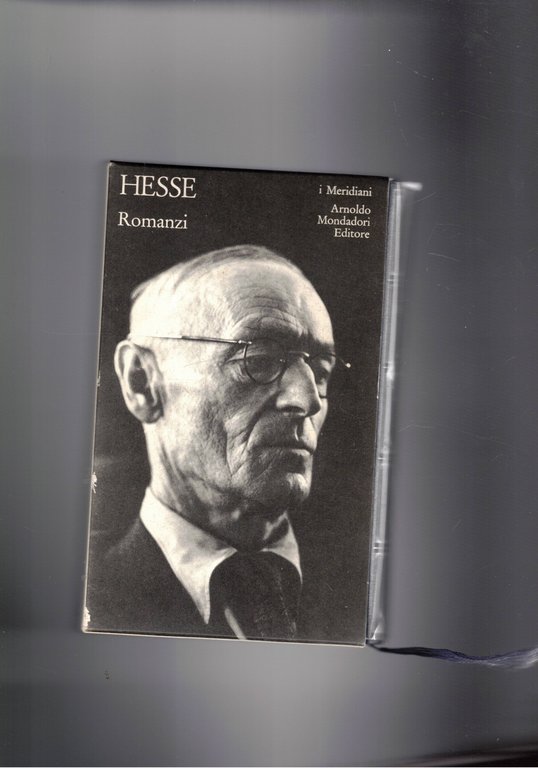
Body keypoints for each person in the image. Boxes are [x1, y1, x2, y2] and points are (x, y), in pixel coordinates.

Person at [85, 245, 357, 643]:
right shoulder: (86, 600)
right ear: (141, 382)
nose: (308, 400)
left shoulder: (363, 593)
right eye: (258, 360)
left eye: (320, 371)